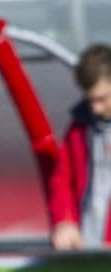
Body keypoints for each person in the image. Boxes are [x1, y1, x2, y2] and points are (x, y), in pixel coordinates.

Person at [49, 43, 111, 250]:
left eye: (102, 99)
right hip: (89, 249)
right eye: (90, 100)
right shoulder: (79, 129)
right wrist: (65, 221)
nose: (95, 108)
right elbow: (62, 179)